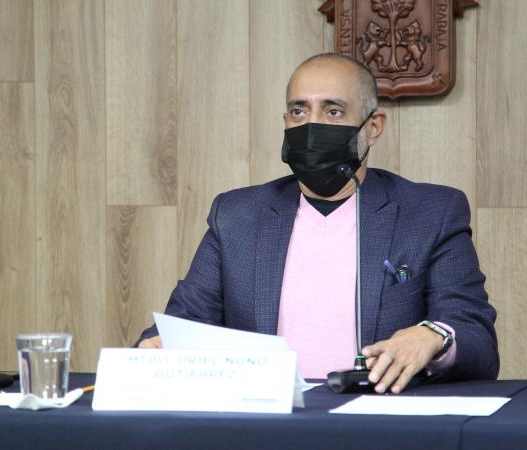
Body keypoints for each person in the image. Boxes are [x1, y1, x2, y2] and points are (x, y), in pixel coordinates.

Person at [137, 53, 498, 393]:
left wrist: (433, 336)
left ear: (373, 127)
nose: (312, 125)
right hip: (266, 416)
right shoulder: (236, 216)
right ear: (286, 122)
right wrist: (158, 346)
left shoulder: (431, 213)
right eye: (299, 111)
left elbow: (476, 340)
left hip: (382, 417)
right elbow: (185, 321)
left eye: (333, 111)